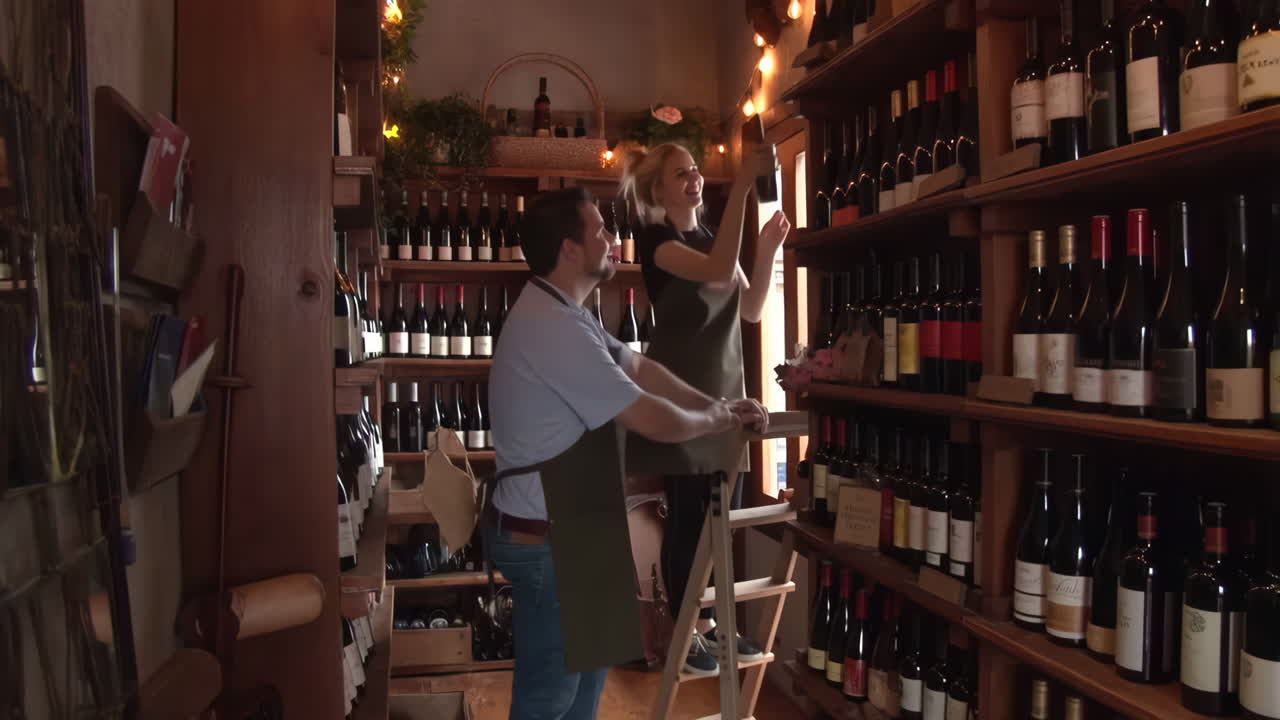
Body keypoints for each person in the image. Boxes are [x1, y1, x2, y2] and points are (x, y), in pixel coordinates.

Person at [485, 187, 769, 720]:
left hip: (578, 532)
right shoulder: (552, 326)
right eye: (600, 231)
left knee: (584, 691)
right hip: (548, 541)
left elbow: (643, 369)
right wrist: (720, 419)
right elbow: (649, 417)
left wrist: (717, 402)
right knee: (550, 700)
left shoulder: (570, 312)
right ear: (570, 248)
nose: (613, 240)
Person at [620, 142, 791, 676]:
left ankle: (713, 625)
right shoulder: (657, 242)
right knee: (690, 521)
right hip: (682, 399)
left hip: (728, 396)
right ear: (658, 190)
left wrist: (764, 250)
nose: (694, 179)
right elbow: (718, 268)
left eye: (696, 171)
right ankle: (686, 630)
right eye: (681, 174)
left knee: (724, 521)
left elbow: (754, 308)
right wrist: (740, 185)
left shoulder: (712, 239)